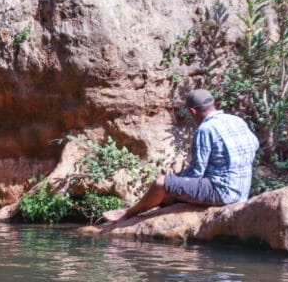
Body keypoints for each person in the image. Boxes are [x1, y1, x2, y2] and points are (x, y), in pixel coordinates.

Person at [103, 89, 259, 222]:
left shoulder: (206, 129)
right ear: (213, 104)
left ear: (193, 111)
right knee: (173, 186)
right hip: (242, 191)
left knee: (162, 183)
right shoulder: (236, 120)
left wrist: (175, 180)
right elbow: (255, 146)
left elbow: (196, 173)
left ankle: (127, 214)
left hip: (222, 193)